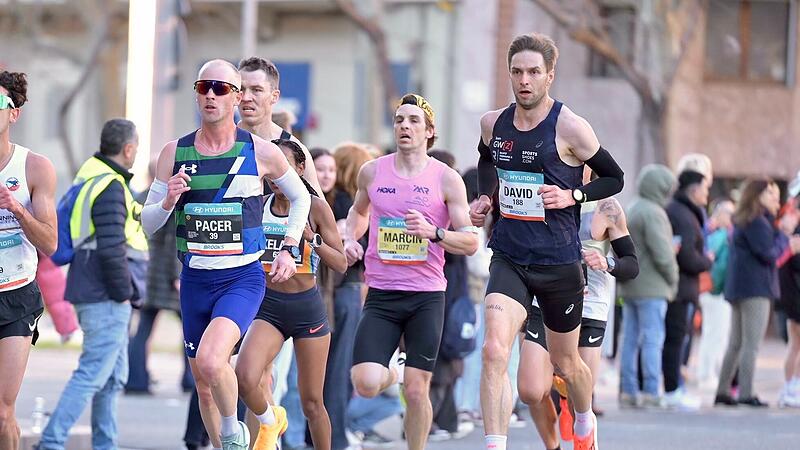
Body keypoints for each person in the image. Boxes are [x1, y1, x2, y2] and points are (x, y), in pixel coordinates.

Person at [140, 59, 311, 450]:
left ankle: (238, 433)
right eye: (204, 87)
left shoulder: (260, 151)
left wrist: (288, 247)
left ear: (236, 96)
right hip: (195, 278)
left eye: (221, 88)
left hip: (241, 277)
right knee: (203, 385)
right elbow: (148, 223)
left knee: (212, 360)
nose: (211, 95)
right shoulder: (174, 152)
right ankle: (259, 425)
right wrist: (167, 200)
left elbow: (301, 196)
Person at [470, 33, 624, 450]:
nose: (524, 80)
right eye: (517, 71)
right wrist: (486, 197)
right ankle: (495, 444)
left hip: (559, 264)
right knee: (493, 349)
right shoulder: (493, 123)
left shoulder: (571, 127)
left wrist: (574, 195)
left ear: (549, 76)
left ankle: (585, 417)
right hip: (509, 256)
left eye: (534, 72)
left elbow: (615, 177)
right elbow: (486, 158)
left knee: (566, 362)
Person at [344, 94, 478, 450]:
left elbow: (470, 241)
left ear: (429, 131)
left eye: (414, 121)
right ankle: (397, 370)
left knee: (418, 391)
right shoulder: (372, 171)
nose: (404, 126)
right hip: (382, 294)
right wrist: (348, 239)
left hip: (427, 297)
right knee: (365, 382)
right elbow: (358, 213)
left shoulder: (446, 179)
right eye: (399, 119)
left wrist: (434, 232)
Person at [39, 119, 147, 450]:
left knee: (112, 379)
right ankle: (51, 442)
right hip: (106, 295)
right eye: (135, 149)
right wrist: (125, 293)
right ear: (128, 149)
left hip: (92, 288)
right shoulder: (111, 186)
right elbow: (112, 247)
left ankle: (105, 444)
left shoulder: (91, 178)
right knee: (92, 374)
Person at [236, 139, 347, 450]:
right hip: (268, 306)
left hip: (305, 308)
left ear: (299, 169)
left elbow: (340, 263)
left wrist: (314, 239)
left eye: (284, 166)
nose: (276, 174)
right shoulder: (258, 204)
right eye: (272, 167)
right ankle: (273, 418)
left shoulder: (315, 206)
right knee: (245, 378)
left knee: (312, 402)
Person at [519, 167, 639, 449]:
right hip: (546, 302)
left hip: (590, 308)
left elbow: (631, 265)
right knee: (531, 390)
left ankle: (571, 407)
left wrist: (606, 263)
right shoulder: (541, 198)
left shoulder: (607, 207)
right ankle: (554, 446)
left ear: (587, 167)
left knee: (578, 397)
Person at [0, 70, 57, 450]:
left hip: (15, 294)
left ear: (13, 114)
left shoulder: (34, 167)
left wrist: (16, 209)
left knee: (2, 412)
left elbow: (50, 243)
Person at [715, 180, 792, 407]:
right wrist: (785, 236)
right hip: (755, 289)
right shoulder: (757, 222)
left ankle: (723, 390)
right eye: (769, 193)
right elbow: (769, 254)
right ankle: (746, 393)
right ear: (756, 196)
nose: (774, 198)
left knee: (736, 342)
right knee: (751, 343)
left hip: (740, 287)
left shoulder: (745, 220)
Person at [616, 165, 678, 408]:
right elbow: (663, 253)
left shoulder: (633, 207)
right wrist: (673, 278)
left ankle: (628, 391)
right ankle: (652, 391)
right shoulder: (653, 212)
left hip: (631, 286)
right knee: (653, 338)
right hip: (653, 288)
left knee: (630, 339)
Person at [662, 170, 713, 409]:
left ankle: (674, 387)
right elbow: (688, 258)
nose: (707, 193)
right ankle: (672, 390)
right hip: (680, 288)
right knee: (675, 339)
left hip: (682, 287)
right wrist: (708, 260)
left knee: (676, 338)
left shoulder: (684, 212)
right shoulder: (682, 215)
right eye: (705, 188)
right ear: (693, 190)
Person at [237, 57, 320, 194]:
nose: (246, 97)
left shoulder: (295, 150)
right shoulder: (221, 143)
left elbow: (318, 209)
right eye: (241, 89)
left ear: (274, 96)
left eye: (256, 90)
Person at [695, 199, 735, 388]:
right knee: (715, 333)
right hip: (715, 291)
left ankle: (710, 373)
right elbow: (711, 260)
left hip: (714, 290)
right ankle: (707, 374)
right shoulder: (719, 235)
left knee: (716, 333)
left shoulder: (716, 233)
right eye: (730, 213)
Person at [778, 201, 800, 407]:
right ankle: (790, 387)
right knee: (796, 343)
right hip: (795, 293)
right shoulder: (792, 229)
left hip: (792, 293)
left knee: (795, 344)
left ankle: (792, 386)